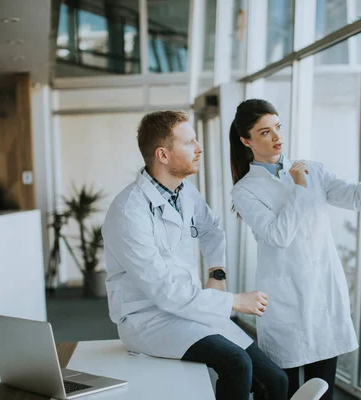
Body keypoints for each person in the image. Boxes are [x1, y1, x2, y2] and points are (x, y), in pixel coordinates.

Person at [102, 110, 288, 400]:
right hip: (148, 319)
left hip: (189, 310)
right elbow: (164, 293)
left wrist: (217, 272)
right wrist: (236, 301)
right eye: (189, 143)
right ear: (163, 154)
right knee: (236, 364)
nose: (199, 148)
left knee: (275, 380)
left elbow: (212, 229)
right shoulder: (129, 212)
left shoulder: (184, 191)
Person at [229, 99, 361, 399]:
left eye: (278, 127)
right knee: (286, 389)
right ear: (246, 140)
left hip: (322, 295)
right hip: (284, 302)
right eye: (265, 132)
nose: (277, 136)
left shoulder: (312, 170)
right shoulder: (244, 190)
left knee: (324, 391)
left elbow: (359, 199)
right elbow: (278, 236)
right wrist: (299, 189)